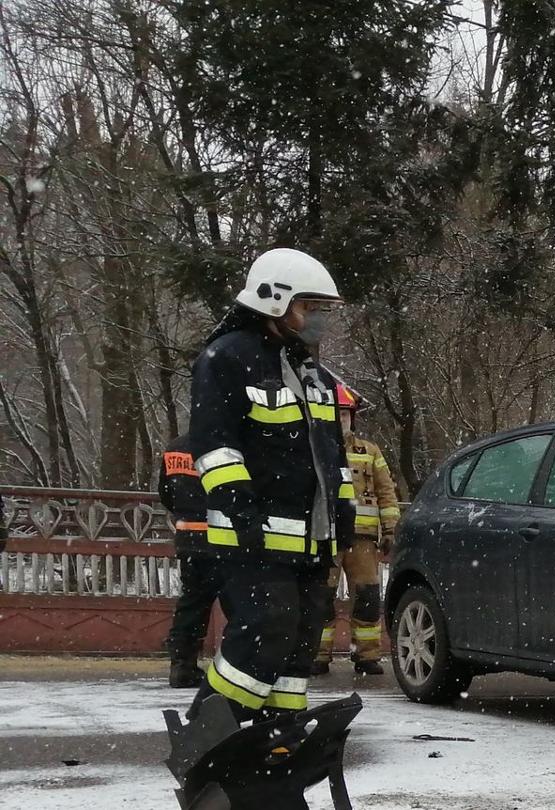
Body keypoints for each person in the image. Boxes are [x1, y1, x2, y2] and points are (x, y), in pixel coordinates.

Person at [186, 247, 355, 725]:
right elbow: (215, 444)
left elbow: (333, 457)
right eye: (310, 308)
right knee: (264, 632)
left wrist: (344, 511)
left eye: (323, 310)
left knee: (299, 644)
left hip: (311, 541)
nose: (317, 320)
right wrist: (238, 506)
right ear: (273, 301)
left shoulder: (315, 376)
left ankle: (278, 738)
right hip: (251, 538)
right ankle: (208, 734)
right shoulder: (227, 359)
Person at [314, 382, 405, 676]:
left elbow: (386, 492)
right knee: (320, 598)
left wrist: (390, 530)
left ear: (352, 417)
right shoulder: (316, 449)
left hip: (363, 538)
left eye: (345, 414)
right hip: (326, 537)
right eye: (336, 414)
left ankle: (367, 656)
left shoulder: (370, 452)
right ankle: (317, 655)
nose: (341, 420)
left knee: (367, 598)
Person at [160, 435, 222, 689]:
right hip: (221, 536)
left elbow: (165, 494)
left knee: (192, 602)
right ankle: (235, 668)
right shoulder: (222, 445)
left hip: (188, 537)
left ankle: (182, 665)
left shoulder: (175, 449)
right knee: (239, 604)